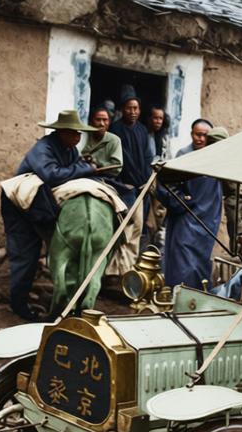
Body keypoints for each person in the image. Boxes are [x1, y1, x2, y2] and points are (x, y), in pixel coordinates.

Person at [1, 110, 98, 320]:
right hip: (20, 205)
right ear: (61, 132)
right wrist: (85, 169)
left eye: (79, 134)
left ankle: (33, 294)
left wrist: (83, 166)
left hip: (42, 204)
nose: (77, 137)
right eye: (73, 133)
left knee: (46, 249)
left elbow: (74, 167)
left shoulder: (69, 149)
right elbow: (51, 175)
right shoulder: (43, 148)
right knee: (25, 253)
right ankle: (18, 306)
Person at [159, 120, 223, 287]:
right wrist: (182, 201)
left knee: (201, 260)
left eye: (204, 135)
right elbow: (169, 184)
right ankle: (179, 295)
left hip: (208, 219)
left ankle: (198, 296)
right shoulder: (183, 155)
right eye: (197, 134)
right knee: (182, 259)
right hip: (186, 217)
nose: (200, 139)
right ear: (191, 134)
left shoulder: (217, 158)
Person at [109, 91, 154, 243]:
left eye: (136, 108)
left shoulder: (142, 130)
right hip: (125, 185)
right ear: (122, 109)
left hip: (142, 186)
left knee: (140, 227)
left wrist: (146, 181)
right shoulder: (115, 129)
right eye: (129, 108)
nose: (133, 112)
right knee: (125, 225)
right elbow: (123, 160)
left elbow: (148, 157)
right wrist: (129, 183)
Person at [81, 105, 123, 175]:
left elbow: (117, 168)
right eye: (98, 120)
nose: (102, 124)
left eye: (105, 120)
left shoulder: (114, 140)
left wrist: (96, 163)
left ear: (109, 122)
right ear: (90, 122)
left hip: (104, 178)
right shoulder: (83, 136)